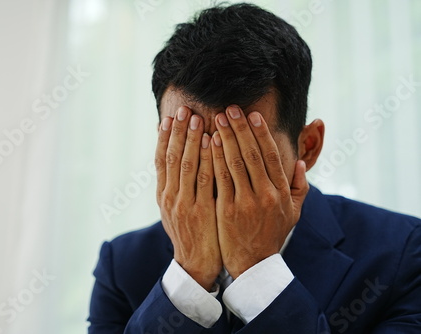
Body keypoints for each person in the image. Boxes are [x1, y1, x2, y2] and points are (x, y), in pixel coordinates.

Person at [87, 3, 421, 333]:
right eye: (192, 148)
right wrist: (187, 276)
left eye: (243, 153)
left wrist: (256, 269)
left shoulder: (403, 254)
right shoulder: (122, 266)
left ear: (308, 147)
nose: (213, 175)